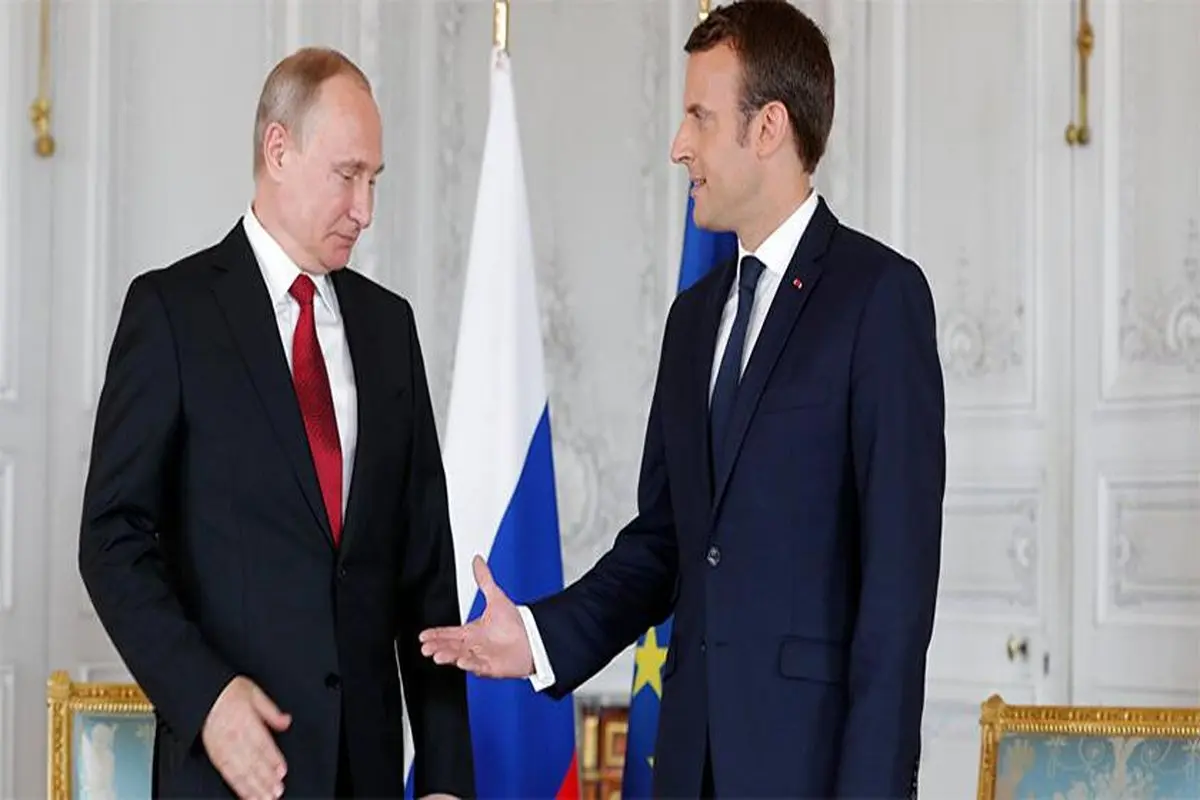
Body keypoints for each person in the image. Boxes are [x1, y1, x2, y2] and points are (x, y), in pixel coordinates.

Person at [418, 1, 945, 797]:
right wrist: (538, 637)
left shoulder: (879, 299)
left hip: (810, 772)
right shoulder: (694, 320)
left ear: (768, 128)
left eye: (700, 116)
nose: (678, 146)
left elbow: (897, 595)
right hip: (687, 765)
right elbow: (664, 543)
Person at [78, 47, 474, 800]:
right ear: (279, 149)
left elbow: (426, 575)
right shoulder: (171, 313)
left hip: (367, 776)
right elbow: (110, 540)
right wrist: (205, 697)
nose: (365, 209)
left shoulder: (390, 328)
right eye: (348, 175)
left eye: (375, 180)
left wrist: (446, 778)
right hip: (228, 771)